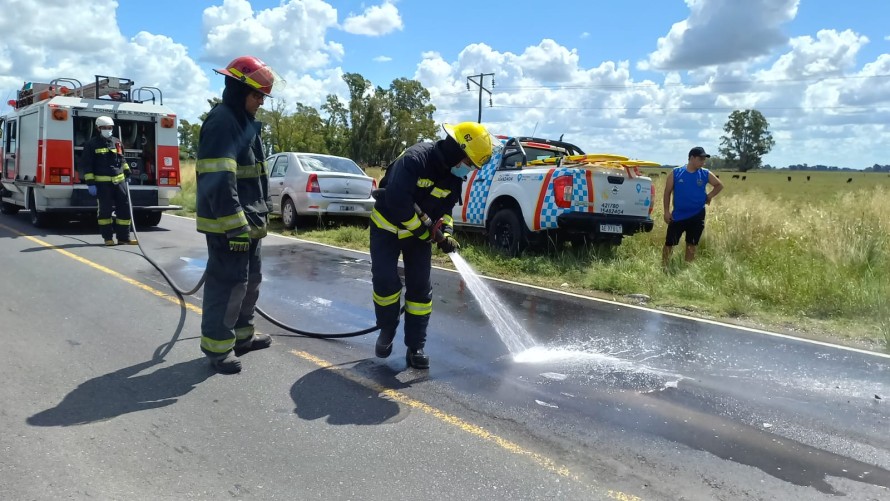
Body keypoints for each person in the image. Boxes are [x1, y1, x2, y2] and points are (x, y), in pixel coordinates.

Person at [370, 122, 496, 369]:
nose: (468, 170)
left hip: (418, 235)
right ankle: (386, 331)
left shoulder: (452, 178)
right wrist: (425, 233)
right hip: (386, 227)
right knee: (385, 283)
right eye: (469, 163)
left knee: (420, 290)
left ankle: (415, 347)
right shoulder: (416, 159)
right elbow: (397, 202)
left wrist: (446, 231)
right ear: (457, 151)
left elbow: (446, 210)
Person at [195, 55, 284, 374]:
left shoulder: (244, 122)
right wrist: (235, 228)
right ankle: (218, 348)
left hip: (250, 223)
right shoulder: (222, 122)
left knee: (249, 282)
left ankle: (242, 337)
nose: (260, 101)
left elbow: (253, 177)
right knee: (228, 285)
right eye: (256, 95)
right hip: (229, 225)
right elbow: (220, 179)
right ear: (237, 89)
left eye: (263, 96)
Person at [662, 146, 724, 266]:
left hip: (697, 214)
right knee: (669, 243)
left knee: (692, 244)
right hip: (678, 215)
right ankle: (664, 266)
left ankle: (687, 269)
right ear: (691, 158)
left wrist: (709, 196)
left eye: (704, 159)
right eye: (700, 159)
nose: (703, 162)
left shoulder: (705, 173)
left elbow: (719, 185)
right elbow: (667, 192)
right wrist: (666, 211)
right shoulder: (676, 173)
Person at [81, 116, 136, 246]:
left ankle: (124, 238)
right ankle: (108, 238)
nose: (107, 130)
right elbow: (87, 165)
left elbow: (122, 159)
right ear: (98, 128)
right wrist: (90, 184)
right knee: (105, 211)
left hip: (120, 182)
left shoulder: (117, 142)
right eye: (104, 128)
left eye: (110, 128)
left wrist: (127, 172)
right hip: (102, 184)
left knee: (125, 209)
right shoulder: (91, 144)